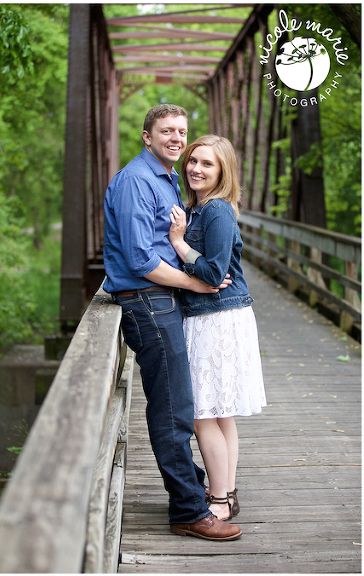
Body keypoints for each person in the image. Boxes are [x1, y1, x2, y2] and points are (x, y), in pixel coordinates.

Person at [102, 104, 241, 541]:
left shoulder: (167, 179)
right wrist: (197, 283)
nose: (176, 138)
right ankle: (188, 510)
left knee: (178, 405)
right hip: (147, 302)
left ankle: (196, 491)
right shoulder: (135, 181)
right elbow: (141, 259)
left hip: (163, 300)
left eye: (181, 131)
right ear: (148, 137)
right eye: (166, 131)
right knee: (174, 410)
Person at [168, 134, 266, 521]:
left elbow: (213, 273)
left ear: (223, 171)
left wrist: (179, 244)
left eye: (207, 163)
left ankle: (220, 500)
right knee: (220, 413)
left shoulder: (217, 211)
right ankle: (227, 492)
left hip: (218, 319)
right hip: (210, 317)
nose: (196, 168)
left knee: (202, 414)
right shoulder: (196, 209)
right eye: (193, 160)